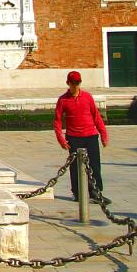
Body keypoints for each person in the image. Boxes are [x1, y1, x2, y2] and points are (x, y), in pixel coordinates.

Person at [54, 71, 110, 203]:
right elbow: (57, 121)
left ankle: (96, 193)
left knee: (95, 166)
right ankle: (77, 193)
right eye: (73, 83)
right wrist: (61, 139)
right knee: (75, 167)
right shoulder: (63, 100)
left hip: (91, 136)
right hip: (73, 138)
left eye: (77, 83)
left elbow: (96, 116)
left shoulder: (87, 97)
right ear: (68, 83)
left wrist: (103, 134)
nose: (76, 86)